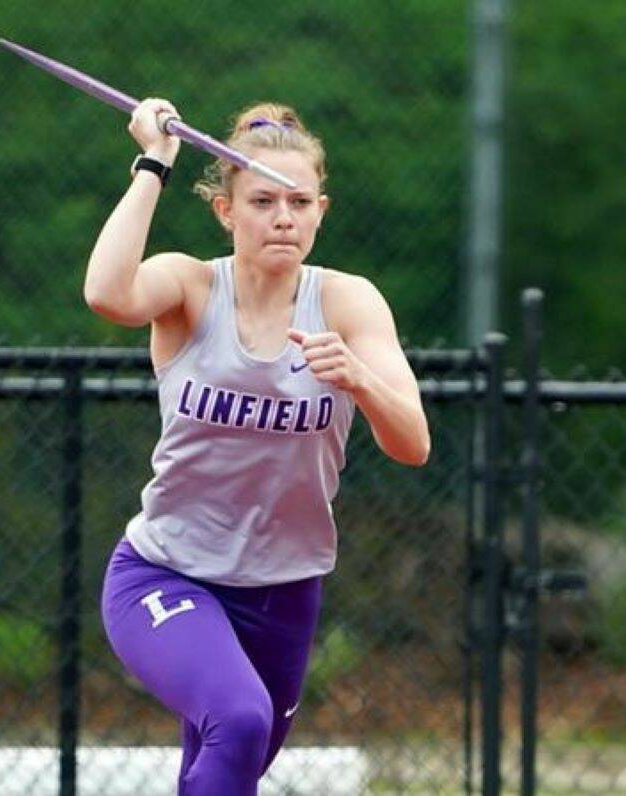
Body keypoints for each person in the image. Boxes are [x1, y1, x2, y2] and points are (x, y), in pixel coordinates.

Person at [84, 97, 430, 795]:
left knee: (227, 765)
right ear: (226, 211)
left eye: (300, 202)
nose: (283, 216)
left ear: (321, 212)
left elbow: (413, 443)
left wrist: (357, 378)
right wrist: (154, 161)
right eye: (264, 200)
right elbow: (108, 293)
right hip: (168, 575)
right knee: (239, 719)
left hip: (283, 592)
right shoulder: (190, 286)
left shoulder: (347, 303)